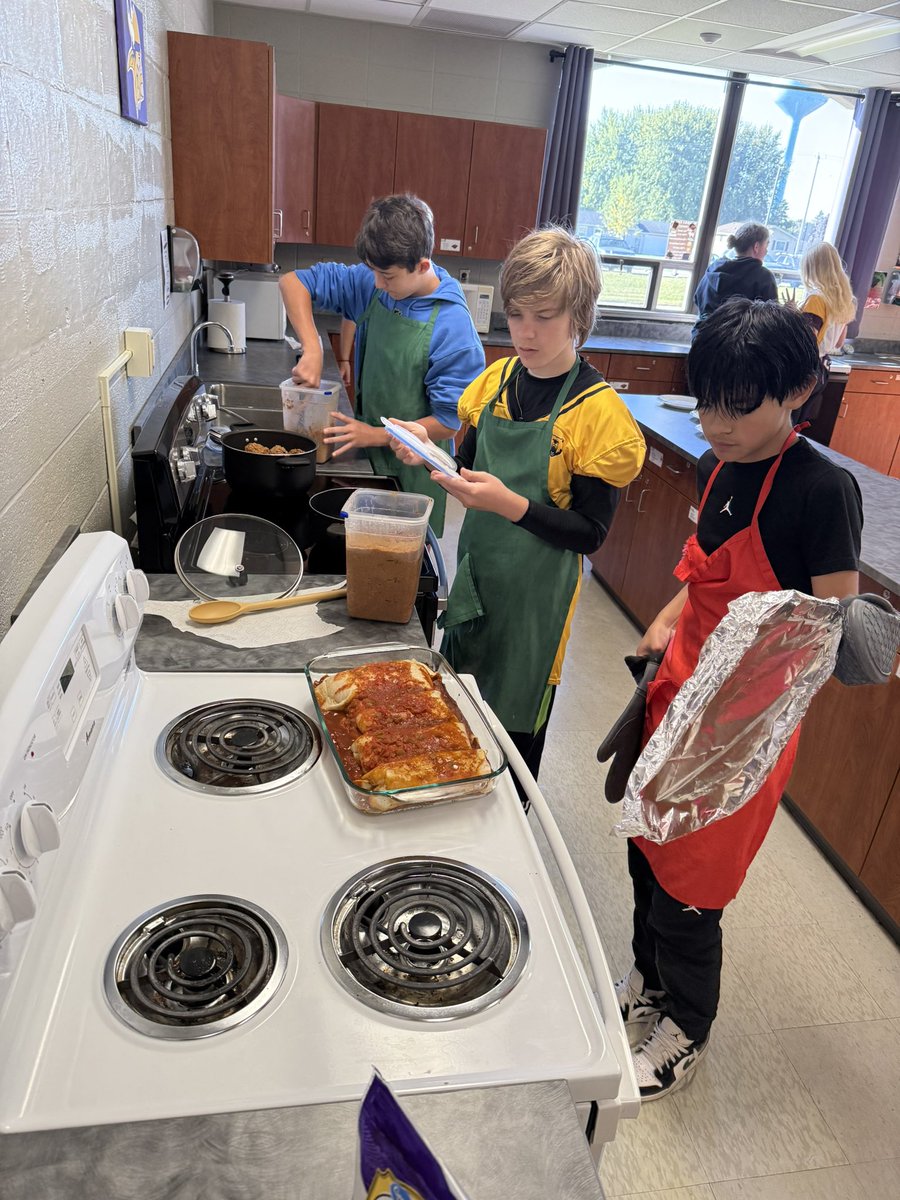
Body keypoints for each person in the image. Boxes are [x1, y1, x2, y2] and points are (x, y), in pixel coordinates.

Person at [617, 297, 863, 1101]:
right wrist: (661, 622)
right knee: (646, 861)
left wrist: (736, 720)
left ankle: (686, 1028)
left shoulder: (820, 491)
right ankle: (649, 988)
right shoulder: (715, 464)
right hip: (674, 700)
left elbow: (830, 627)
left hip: (740, 736)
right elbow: (701, 577)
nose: (717, 422)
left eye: (740, 404)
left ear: (797, 389)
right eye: (706, 400)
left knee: (692, 897)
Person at [389, 227, 645, 787]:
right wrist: (419, 444)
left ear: (579, 315)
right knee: (456, 714)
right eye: (517, 314)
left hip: (535, 607)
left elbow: (590, 534)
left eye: (544, 317)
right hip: (478, 580)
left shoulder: (597, 415)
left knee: (511, 740)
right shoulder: (496, 383)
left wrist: (510, 506)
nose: (525, 333)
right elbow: (466, 471)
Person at [278, 194, 485, 536]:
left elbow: (449, 422)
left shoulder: (454, 328)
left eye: (387, 277)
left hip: (414, 473)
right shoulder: (377, 285)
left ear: (421, 265)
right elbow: (293, 282)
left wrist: (376, 434)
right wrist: (312, 347)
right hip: (369, 462)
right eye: (374, 272)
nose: (377, 284)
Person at [796, 242, 857, 424]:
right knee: (796, 426)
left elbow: (807, 341)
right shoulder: (845, 301)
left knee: (782, 426)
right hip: (822, 370)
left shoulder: (816, 298)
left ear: (812, 268)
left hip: (804, 370)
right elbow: (839, 343)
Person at [692, 222, 779, 335]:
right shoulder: (763, 277)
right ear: (756, 247)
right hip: (739, 346)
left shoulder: (713, 270)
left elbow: (697, 299)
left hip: (702, 341)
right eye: (766, 245)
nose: (767, 251)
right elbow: (772, 318)